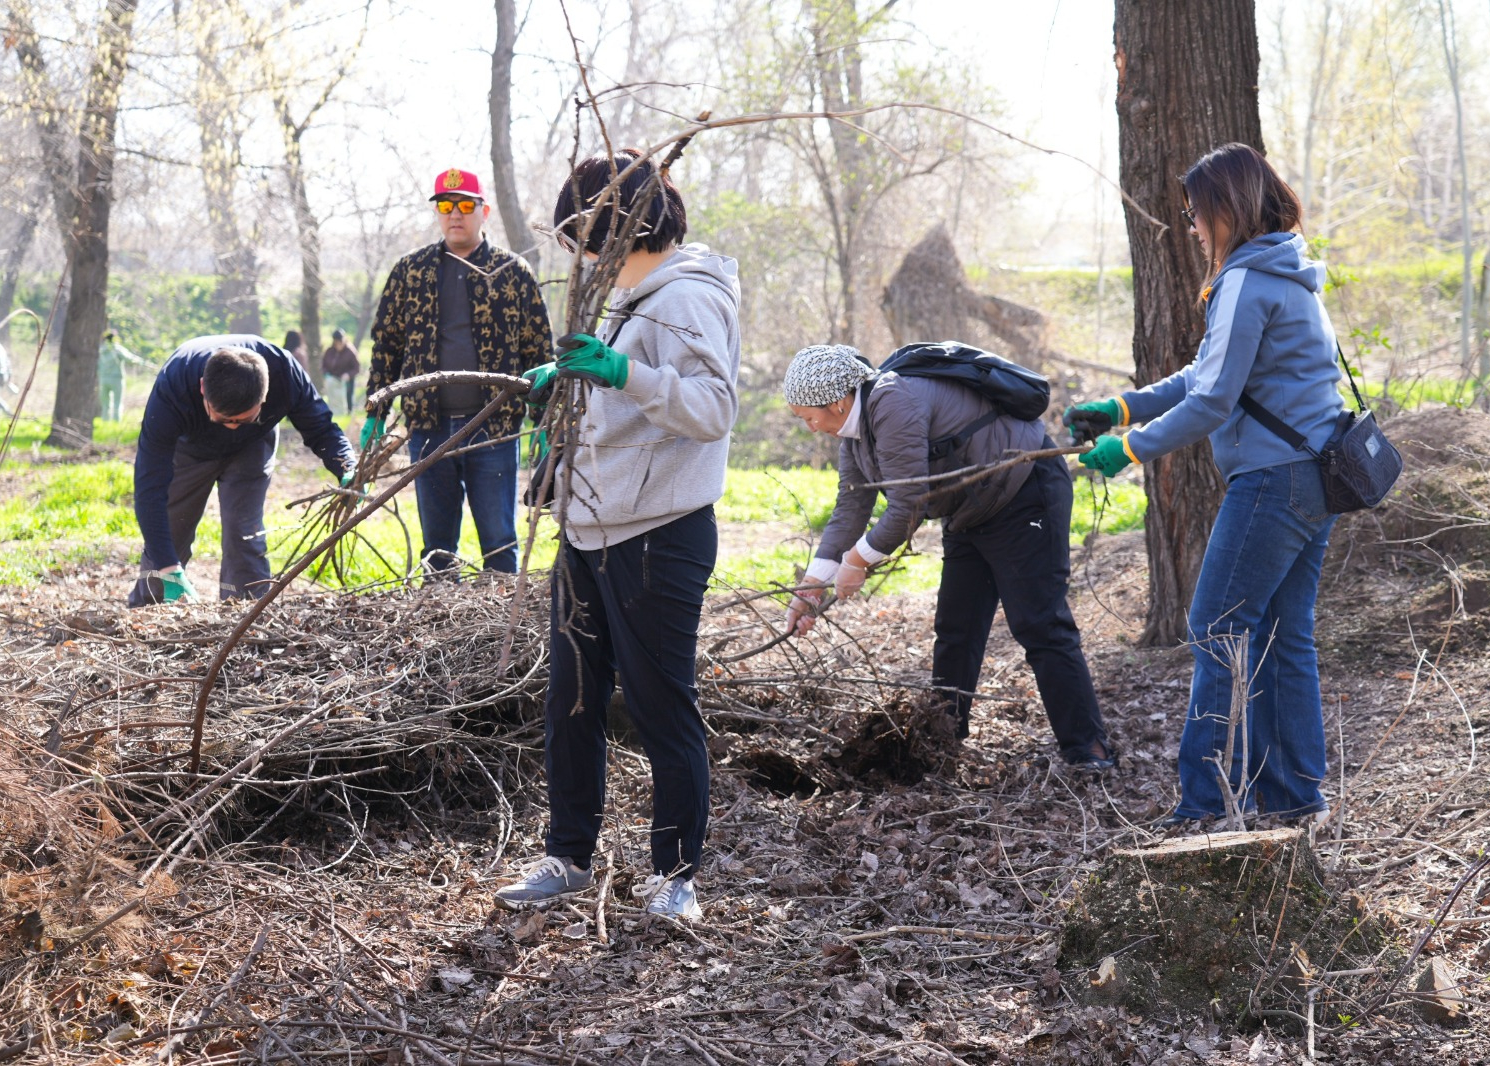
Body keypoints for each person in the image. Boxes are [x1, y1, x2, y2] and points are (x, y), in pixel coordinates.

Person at [1065, 142, 1345, 827]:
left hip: (1275, 482)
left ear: (1227, 208)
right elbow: (1206, 376)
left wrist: (1126, 449)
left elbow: (1214, 400)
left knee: (1216, 627)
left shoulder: (1249, 280)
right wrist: (1125, 407)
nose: (1191, 228)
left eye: (1195, 214)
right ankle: (1292, 794)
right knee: (1283, 636)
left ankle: (1204, 805)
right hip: (1315, 477)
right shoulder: (1283, 270)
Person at [493, 150, 740, 921]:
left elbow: (711, 410)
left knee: (662, 704)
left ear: (620, 228)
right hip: (589, 527)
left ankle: (676, 877)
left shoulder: (689, 298)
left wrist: (618, 374)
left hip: (658, 533)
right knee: (570, 702)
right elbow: (611, 385)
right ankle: (567, 858)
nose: (581, 256)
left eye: (586, 237)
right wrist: (563, 384)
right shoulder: (623, 292)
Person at [780, 344, 1114, 773]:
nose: (809, 428)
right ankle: (941, 743)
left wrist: (859, 561)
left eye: (809, 417)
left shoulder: (891, 402)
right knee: (956, 629)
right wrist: (812, 586)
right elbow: (852, 506)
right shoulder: (856, 434)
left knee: (1040, 624)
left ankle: (1088, 750)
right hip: (971, 510)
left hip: (1023, 494)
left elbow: (907, 507)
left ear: (837, 401)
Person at [363, 167, 550, 575]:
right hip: (428, 426)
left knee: (499, 542)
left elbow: (538, 351)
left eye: (466, 205)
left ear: (484, 211)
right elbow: (387, 345)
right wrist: (375, 411)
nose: (455, 214)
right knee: (437, 549)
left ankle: (501, 630)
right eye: (446, 206)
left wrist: (545, 419)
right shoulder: (410, 272)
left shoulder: (512, 272)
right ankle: (440, 628)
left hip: (493, 428)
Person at [128, 335, 355, 606]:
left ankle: (244, 615)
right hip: (190, 450)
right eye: (224, 418)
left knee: (244, 534)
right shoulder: (174, 385)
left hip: (252, 445)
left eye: (244, 418)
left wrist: (348, 467)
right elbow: (149, 485)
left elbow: (321, 428)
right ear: (202, 389)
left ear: (265, 396)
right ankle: (150, 611)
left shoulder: (285, 372)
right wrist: (167, 566)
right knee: (170, 532)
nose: (232, 426)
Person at [98, 330, 147, 422]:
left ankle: (105, 421)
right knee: (117, 402)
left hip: (103, 379)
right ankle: (116, 421)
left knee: (105, 404)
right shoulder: (117, 349)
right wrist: (141, 362)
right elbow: (130, 359)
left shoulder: (101, 350)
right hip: (116, 379)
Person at [321, 328, 362, 414]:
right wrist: (326, 373)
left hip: (347, 381)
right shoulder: (329, 351)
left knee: (348, 399)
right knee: (333, 400)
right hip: (333, 380)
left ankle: (348, 414)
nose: (338, 345)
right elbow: (324, 365)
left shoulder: (350, 352)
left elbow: (357, 368)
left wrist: (348, 375)